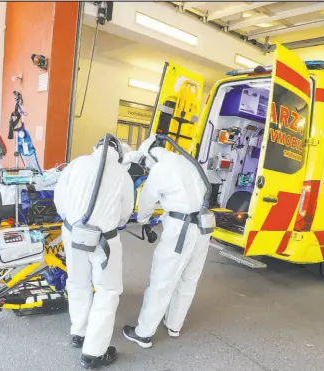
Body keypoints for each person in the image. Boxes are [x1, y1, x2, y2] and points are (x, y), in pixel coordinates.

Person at [122, 135, 211, 348]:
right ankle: (174, 325)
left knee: (162, 281)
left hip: (180, 229)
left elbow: (146, 200)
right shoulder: (186, 162)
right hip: (203, 227)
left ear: (150, 155)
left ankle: (143, 333)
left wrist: (143, 220)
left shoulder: (161, 168)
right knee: (189, 278)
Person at [54, 134, 134, 369]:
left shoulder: (77, 163)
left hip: (72, 233)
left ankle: (79, 332)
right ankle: (94, 352)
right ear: (119, 153)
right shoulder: (122, 174)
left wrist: (72, 221)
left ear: (95, 148)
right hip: (104, 241)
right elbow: (124, 214)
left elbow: (60, 199)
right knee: (107, 290)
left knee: (77, 283)